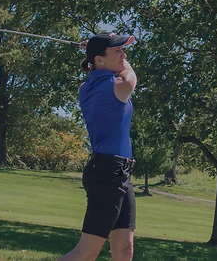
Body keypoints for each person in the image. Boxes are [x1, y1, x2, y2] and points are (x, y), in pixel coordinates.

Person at [60, 32, 137, 261]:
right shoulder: (114, 87)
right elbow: (130, 76)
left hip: (119, 171)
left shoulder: (90, 85)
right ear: (101, 60)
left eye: (124, 50)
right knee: (85, 253)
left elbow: (111, 68)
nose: (123, 55)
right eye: (118, 51)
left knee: (125, 248)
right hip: (108, 172)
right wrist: (93, 53)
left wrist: (95, 54)